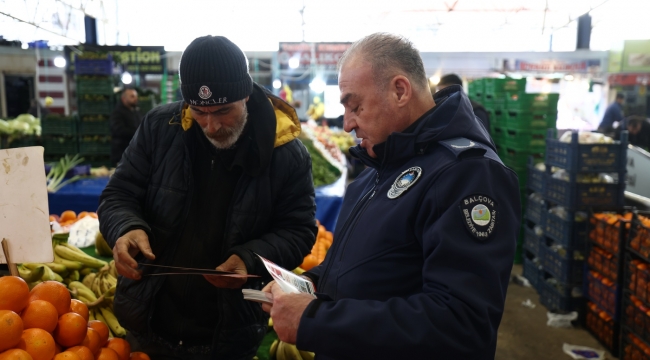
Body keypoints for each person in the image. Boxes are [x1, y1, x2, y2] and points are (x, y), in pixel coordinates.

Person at [262, 32, 521, 359]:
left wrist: (315, 319)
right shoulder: (377, 170)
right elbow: (367, 268)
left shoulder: (468, 176)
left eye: (355, 106)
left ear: (400, 90)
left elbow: (461, 325)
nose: (347, 124)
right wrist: (307, 286)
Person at [97, 35, 317, 359]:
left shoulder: (286, 153)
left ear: (245, 94)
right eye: (199, 111)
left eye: (223, 111)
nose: (211, 126)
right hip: (148, 324)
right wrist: (126, 227)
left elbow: (299, 230)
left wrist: (250, 258)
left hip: (228, 336)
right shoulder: (159, 128)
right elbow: (119, 193)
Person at [109, 88, 142, 166]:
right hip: (121, 154)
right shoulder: (117, 113)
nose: (135, 99)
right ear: (124, 99)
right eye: (132, 96)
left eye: (136, 96)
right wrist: (138, 133)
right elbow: (118, 130)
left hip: (135, 154)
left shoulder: (137, 112)